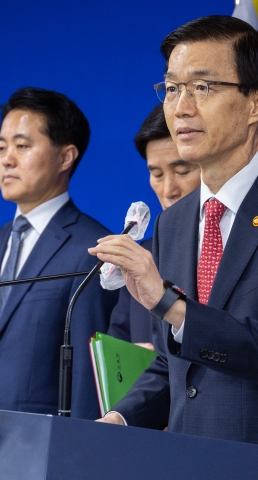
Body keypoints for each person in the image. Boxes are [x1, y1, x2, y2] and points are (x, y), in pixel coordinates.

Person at [90, 16, 258, 480]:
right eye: (171, 89)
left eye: (203, 87)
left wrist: (170, 303)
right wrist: (119, 419)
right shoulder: (174, 222)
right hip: (187, 475)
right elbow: (177, 363)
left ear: (257, 102)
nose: (181, 107)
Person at [0, 87, 117, 419]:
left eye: (22, 146)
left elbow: (86, 377)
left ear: (66, 157)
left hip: (39, 448)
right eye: (1, 147)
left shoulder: (94, 248)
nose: (7, 159)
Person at [107, 104, 200, 349]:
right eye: (157, 175)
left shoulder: (227, 246)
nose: (169, 190)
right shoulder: (141, 257)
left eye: (182, 170)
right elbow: (118, 348)